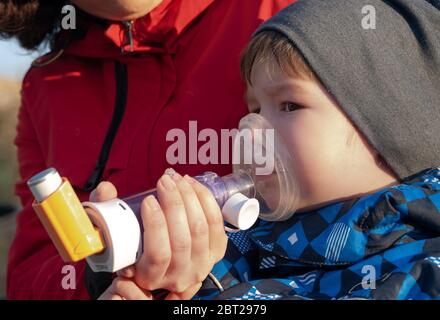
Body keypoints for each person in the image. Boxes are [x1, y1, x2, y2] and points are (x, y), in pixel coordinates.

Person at [102, 0, 440, 299]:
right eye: (254, 111)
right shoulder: (232, 250)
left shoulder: (423, 272)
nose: (251, 134)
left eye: (289, 106)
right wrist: (152, 277)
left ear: (388, 130)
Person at [1, 0, 296, 299]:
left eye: (290, 105)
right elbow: (29, 277)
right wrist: (99, 279)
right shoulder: (46, 84)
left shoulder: (287, 14)